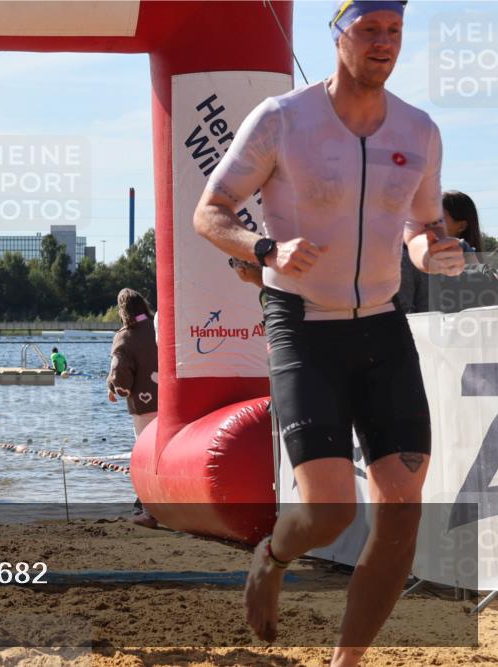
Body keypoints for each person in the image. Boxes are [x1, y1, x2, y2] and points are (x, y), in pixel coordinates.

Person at [192, 3, 465, 663]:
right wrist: (266, 249)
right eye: (370, 29)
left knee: (402, 509)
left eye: (395, 31)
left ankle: (348, 660)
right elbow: (211, 210)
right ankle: (274, 552)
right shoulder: (282, 120)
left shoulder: (420, 130)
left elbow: (422, 228)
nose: (384, 44)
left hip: (381, 322)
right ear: (339, 33)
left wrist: (435, 253)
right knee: (332, 511)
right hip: (303, 326)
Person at [106, 288, 159, 529]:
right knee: (164, 453)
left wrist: (117, 388)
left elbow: (120, 374)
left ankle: (147, 510)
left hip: (144, 405)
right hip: (170, 401)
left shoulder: (125, 336)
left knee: (145, 455)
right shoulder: (160, 326)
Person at [398, 190, 484, 313]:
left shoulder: (471, 259)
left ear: (462, 226)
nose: (428, 222)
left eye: (440, 218)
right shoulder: (405, 258)